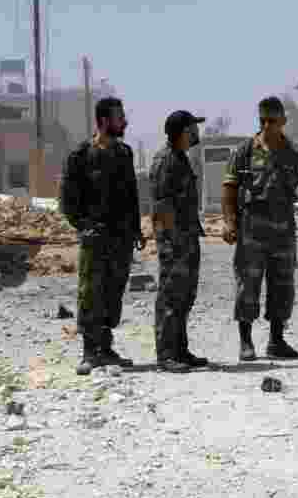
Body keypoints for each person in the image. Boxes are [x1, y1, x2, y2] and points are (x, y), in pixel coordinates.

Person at [221, 96, 298, 361]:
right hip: (252, 226)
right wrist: (229, 222)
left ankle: (276, 341)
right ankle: (246, 342)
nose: (266, 125)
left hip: (283, 227)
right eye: (262, 120)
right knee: (248, 284)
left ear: (283, 121)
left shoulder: (295, 153)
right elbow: (229, 188)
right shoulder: (244, 151)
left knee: (282, 285)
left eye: (272, 120)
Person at [60, 97, 145, 376]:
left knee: (113, 293)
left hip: (120, 239)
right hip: (95, 239)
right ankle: (89, 352)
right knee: (90, 293)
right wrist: (83, 226)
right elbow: (68, 201)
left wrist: (135, 229)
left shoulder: (124, 153)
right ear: (104, 121)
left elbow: (132, 195)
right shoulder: (80, 155)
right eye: (120, 117)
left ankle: (106, 349)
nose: (125, 122)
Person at [149, 110, 209, 373]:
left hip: (186, 237)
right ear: (183, 132)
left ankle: (180, 350)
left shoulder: (179, 158)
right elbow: (162, 205)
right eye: (193, 129)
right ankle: (166, 354)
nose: (197, 133)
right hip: (174, 241)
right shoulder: (166, 161)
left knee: (185, 296)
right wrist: (173, 242)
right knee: (171, 297)